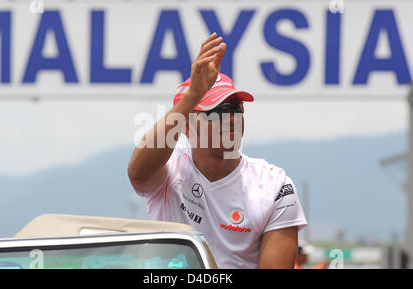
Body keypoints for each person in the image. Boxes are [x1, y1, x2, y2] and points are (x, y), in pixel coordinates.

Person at [127, 32, 307, 269]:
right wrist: (193, 95)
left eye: (235, 107)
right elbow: (137, 174)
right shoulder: (169, 170)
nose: (230, 117)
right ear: (187, 127)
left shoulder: (274, 185)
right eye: (216, 110)